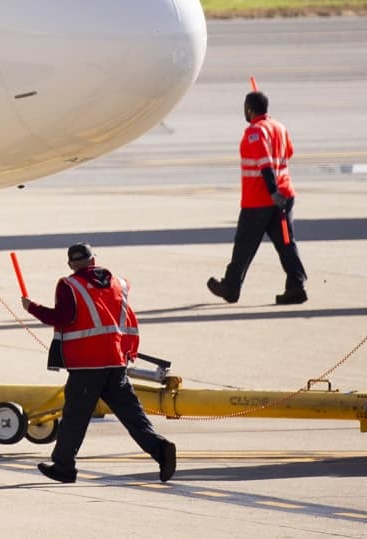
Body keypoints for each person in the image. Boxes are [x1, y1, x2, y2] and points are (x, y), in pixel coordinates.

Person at [22, 243, 176, 484]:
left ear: (71, 264)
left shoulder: (69, 285)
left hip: (86, 364)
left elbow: (63, 318)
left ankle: (63, 466)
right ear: (94, 260)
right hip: (115, 361)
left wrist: (32, 308)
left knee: (75, 417)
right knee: (132, 415)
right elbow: (127, 320)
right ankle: (161, 449)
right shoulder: (119, 283)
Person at [208, 90, 307, 305]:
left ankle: (231, 287)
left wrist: (271, 190)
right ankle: (297, 284)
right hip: (284, 196)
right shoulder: (279, 127)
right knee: (286, 243)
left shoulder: (255, 132)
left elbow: (265, 163)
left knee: (244, 244)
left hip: (259, 200)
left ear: (250, 109)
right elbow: (288, 153)